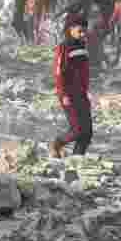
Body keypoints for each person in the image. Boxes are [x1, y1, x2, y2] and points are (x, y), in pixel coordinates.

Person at [49, 14, 92, 158]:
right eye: (80, 31)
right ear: (70, 30)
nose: (83, 34)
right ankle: (57, 143)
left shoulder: (83, 46)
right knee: (77, 130)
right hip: (68, 94)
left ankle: (77, 160)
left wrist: (86, 91)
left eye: (84, 31)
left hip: (81, 94)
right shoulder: (64, 47)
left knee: (87, 133)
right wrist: (63, 94)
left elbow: (83, 72)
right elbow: (58, 72)